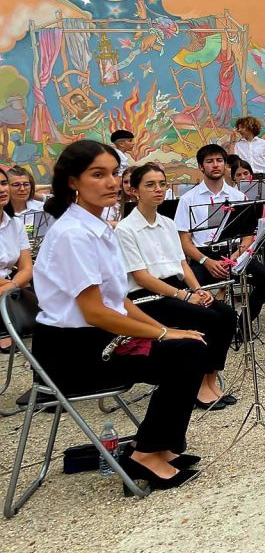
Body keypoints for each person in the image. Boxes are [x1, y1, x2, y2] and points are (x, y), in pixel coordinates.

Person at [32, 140, 206, 490]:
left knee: (191, 344)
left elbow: (120, 300)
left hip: (97, 338)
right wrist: (163, 334)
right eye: (98, 175)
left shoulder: (98, 227)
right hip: (72, 353)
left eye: (114, 173)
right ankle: (146, 454)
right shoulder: (73, 234)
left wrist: (165, 329)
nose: (112, 182)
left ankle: (159, 447)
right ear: (73, 181)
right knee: (185, 353)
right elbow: (96, 312)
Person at [116, 163, 237, 410]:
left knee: (226, 314)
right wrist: (185, 296)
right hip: (147, 296)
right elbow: (141, 277)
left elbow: (182, 263)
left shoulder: (168, 223)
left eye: (162, 184)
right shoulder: (125, 229)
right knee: (208, 318)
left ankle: (210, 378)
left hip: (175, 289)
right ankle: (197, 384)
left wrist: (198, 290)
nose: (158, 189)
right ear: (135, 190)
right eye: (150, 185)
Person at [174, 144, 265, 327]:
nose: (215, 165)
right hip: (204, 256)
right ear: (201, 166)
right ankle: (211, 326)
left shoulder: (238, 196)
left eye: (219, 160)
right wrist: (207, 262)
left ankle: (242, 325)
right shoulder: (188, 199)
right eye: (209, 161)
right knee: (181, 289)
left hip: (234, 255)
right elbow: (184, 241)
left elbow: (248, 235)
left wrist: (236, 255)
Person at [0, 166, 34, 353]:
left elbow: (27, 268)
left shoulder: (15, 223)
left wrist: (10, 286)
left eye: (4, 183)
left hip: (9, 284)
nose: (2, 189)